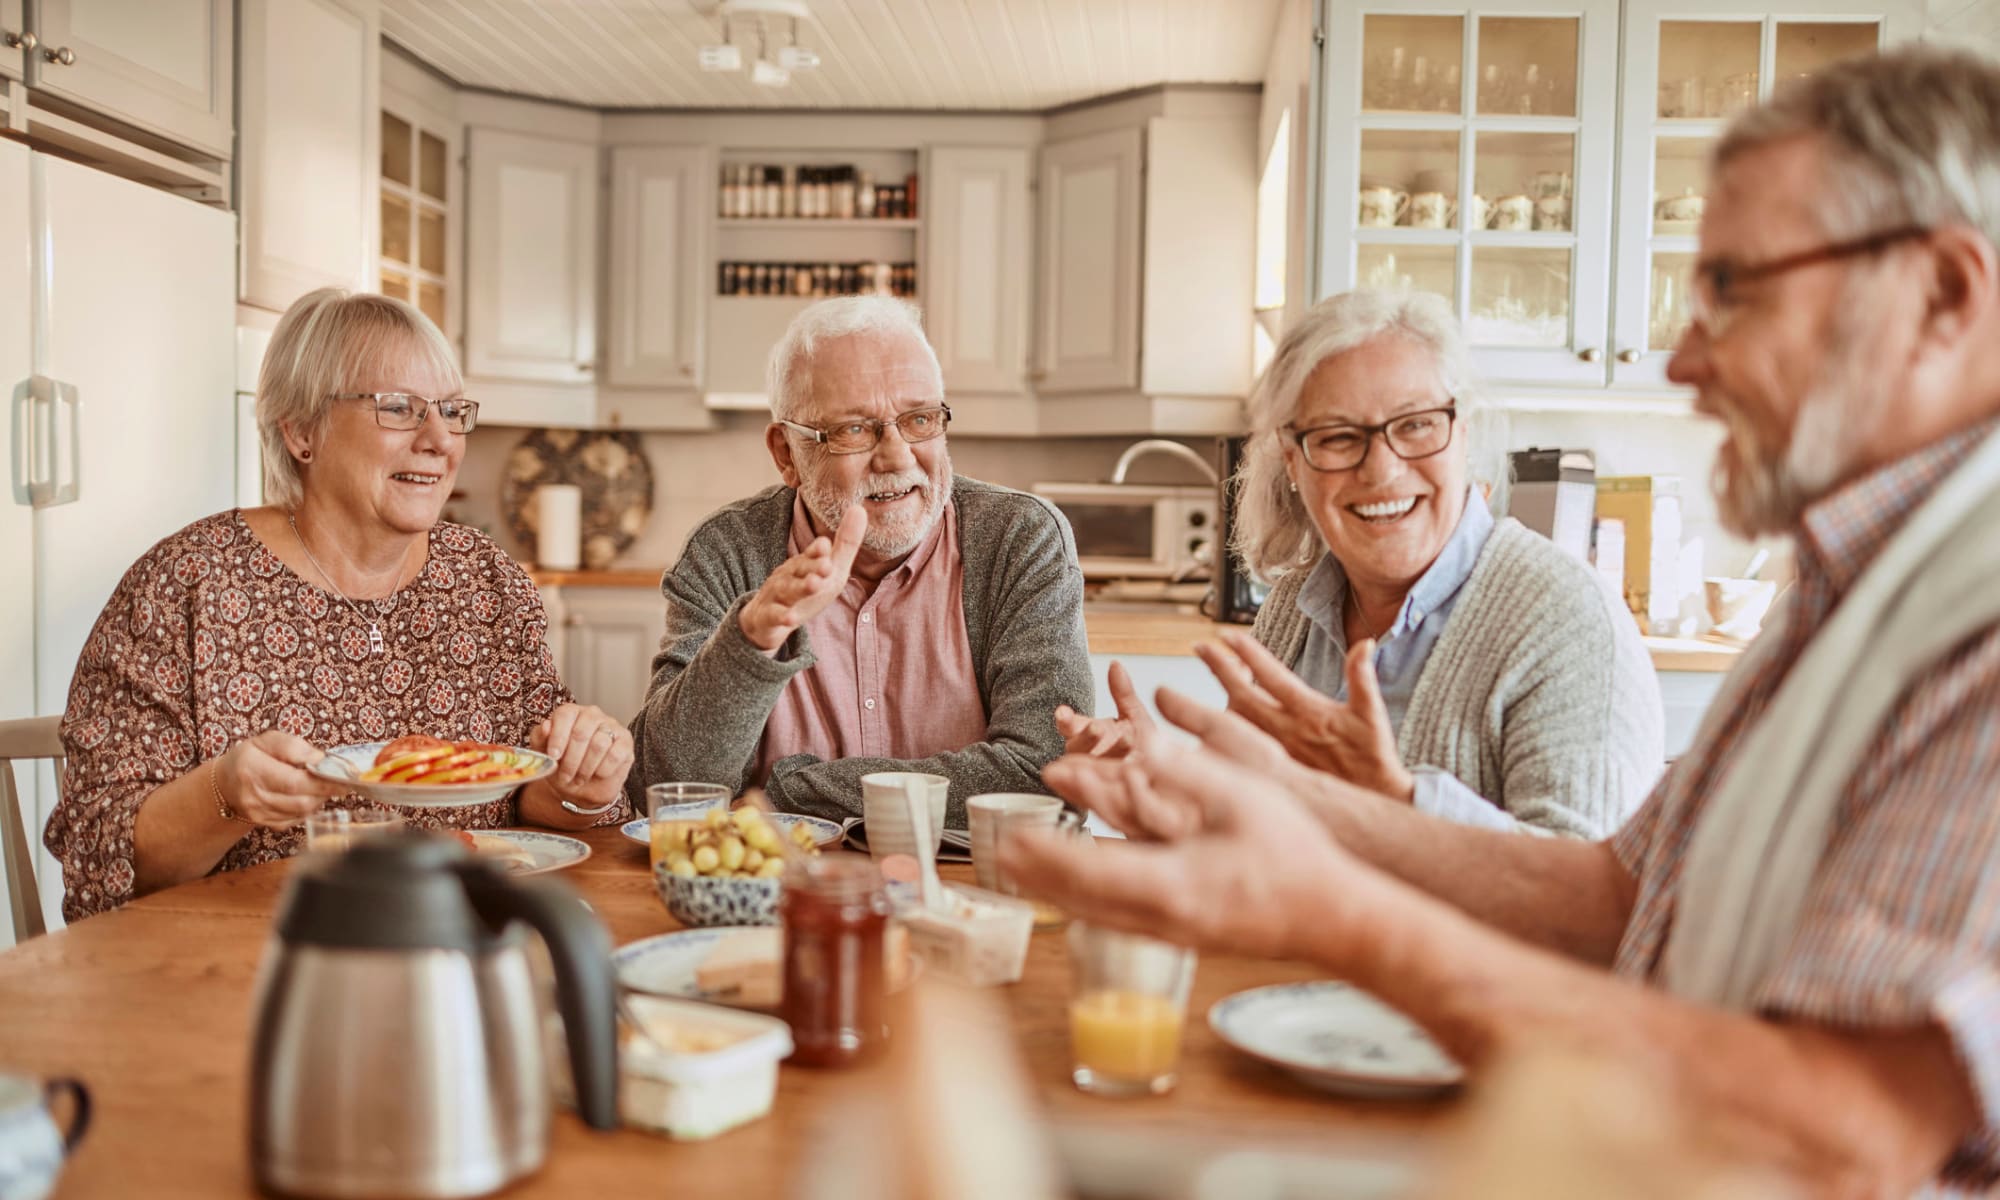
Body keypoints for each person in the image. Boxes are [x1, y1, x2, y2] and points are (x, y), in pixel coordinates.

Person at [1007, 46, 2000, 1197]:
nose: (1679, 357)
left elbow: (1845, 1132)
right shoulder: (1836, 602)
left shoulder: (1976, 630)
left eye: (1734, 290)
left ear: (1941, 295)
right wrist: (1275, 798)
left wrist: (1335, 909)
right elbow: (1622, 902)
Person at [45, 289, 633, 921]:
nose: (440, 439)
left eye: (452, 410)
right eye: (400, 409)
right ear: (301, 431)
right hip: (253, 964)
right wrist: (226, 795)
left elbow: (529, 805)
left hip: (467, 940)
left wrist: (577, 787)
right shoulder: (187, 584)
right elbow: (104, 856)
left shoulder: (485, 577)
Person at [1060, 290, 1661, 838]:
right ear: (1293, 463)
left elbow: (1590, 909)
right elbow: (1260, 843)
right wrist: (1168, 786)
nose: (1381, 470)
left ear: (1463, 436)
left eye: (1417, 425)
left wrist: (1396, 799)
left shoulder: (1568, 621)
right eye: (1339, 436)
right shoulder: (1293, 615)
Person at [626, 296, 1091, 826]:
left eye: (919, 419)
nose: (896, 456)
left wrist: (785, 793)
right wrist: (749, 640)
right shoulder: (724, 553)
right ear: (786, 454)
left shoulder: (1019, 539)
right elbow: (666, 791)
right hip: (778, 892)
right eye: (853, 430)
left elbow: (1047, 776)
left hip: (973, 898)